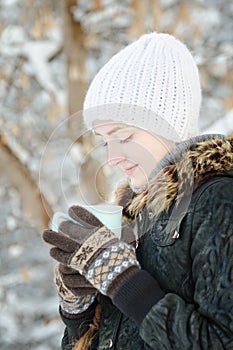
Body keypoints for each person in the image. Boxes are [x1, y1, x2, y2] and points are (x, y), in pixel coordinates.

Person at [42, 32, 233, 350]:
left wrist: (123, 281)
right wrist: (79, 308)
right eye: (105, 140)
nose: (112, 157)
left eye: (123, 135)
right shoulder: (134, 222)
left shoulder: (218, 200)